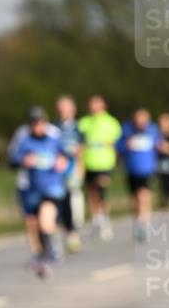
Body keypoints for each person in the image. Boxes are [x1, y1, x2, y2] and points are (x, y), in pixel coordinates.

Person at [11, 106, 69, 278]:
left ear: (45, 122)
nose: (38, 126)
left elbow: (67, 157)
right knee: (34, 225)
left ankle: (51, 251)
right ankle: (43, 255)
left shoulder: (54, 139)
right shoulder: (25, 141)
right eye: (34, 123)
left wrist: (63, 162)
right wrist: (23, 160)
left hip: (53, 188)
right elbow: (13, 160)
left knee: (45, 221)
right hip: (32, 190)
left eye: (40, 122)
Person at [77, 95, 122, 241]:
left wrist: (114, 157)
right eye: (91, 104)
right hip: (89, 162)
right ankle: (96, 219)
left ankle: (106, 219)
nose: (93, 107)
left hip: (105, 163)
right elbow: (80, 144)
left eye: (96, 104)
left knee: (102, 191)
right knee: (92, 192)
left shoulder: (111, 122)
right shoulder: (84, 122)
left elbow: (117, 144)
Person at [118, 108, 161, 242]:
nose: (141, 122)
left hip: (147, 169)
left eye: (144, 120)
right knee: (134, 198)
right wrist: (126, 145)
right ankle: (137, 220)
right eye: (138, 120)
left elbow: (159, 145)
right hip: (131, 169)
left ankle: (144, 222)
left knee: (144, 195)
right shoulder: (127, 130)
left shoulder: (153, 130)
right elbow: (118, 147)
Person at [55, 95, 84, 253]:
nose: (63, 110)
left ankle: (73, 230)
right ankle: (67, 232)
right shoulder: (53, 127)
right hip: (58, 171)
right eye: (60, 107)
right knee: (61, 201)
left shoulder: (78, 128)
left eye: (66, 107)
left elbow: (81, 149)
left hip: (72, 169)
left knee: (72, 198)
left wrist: (80, 168)